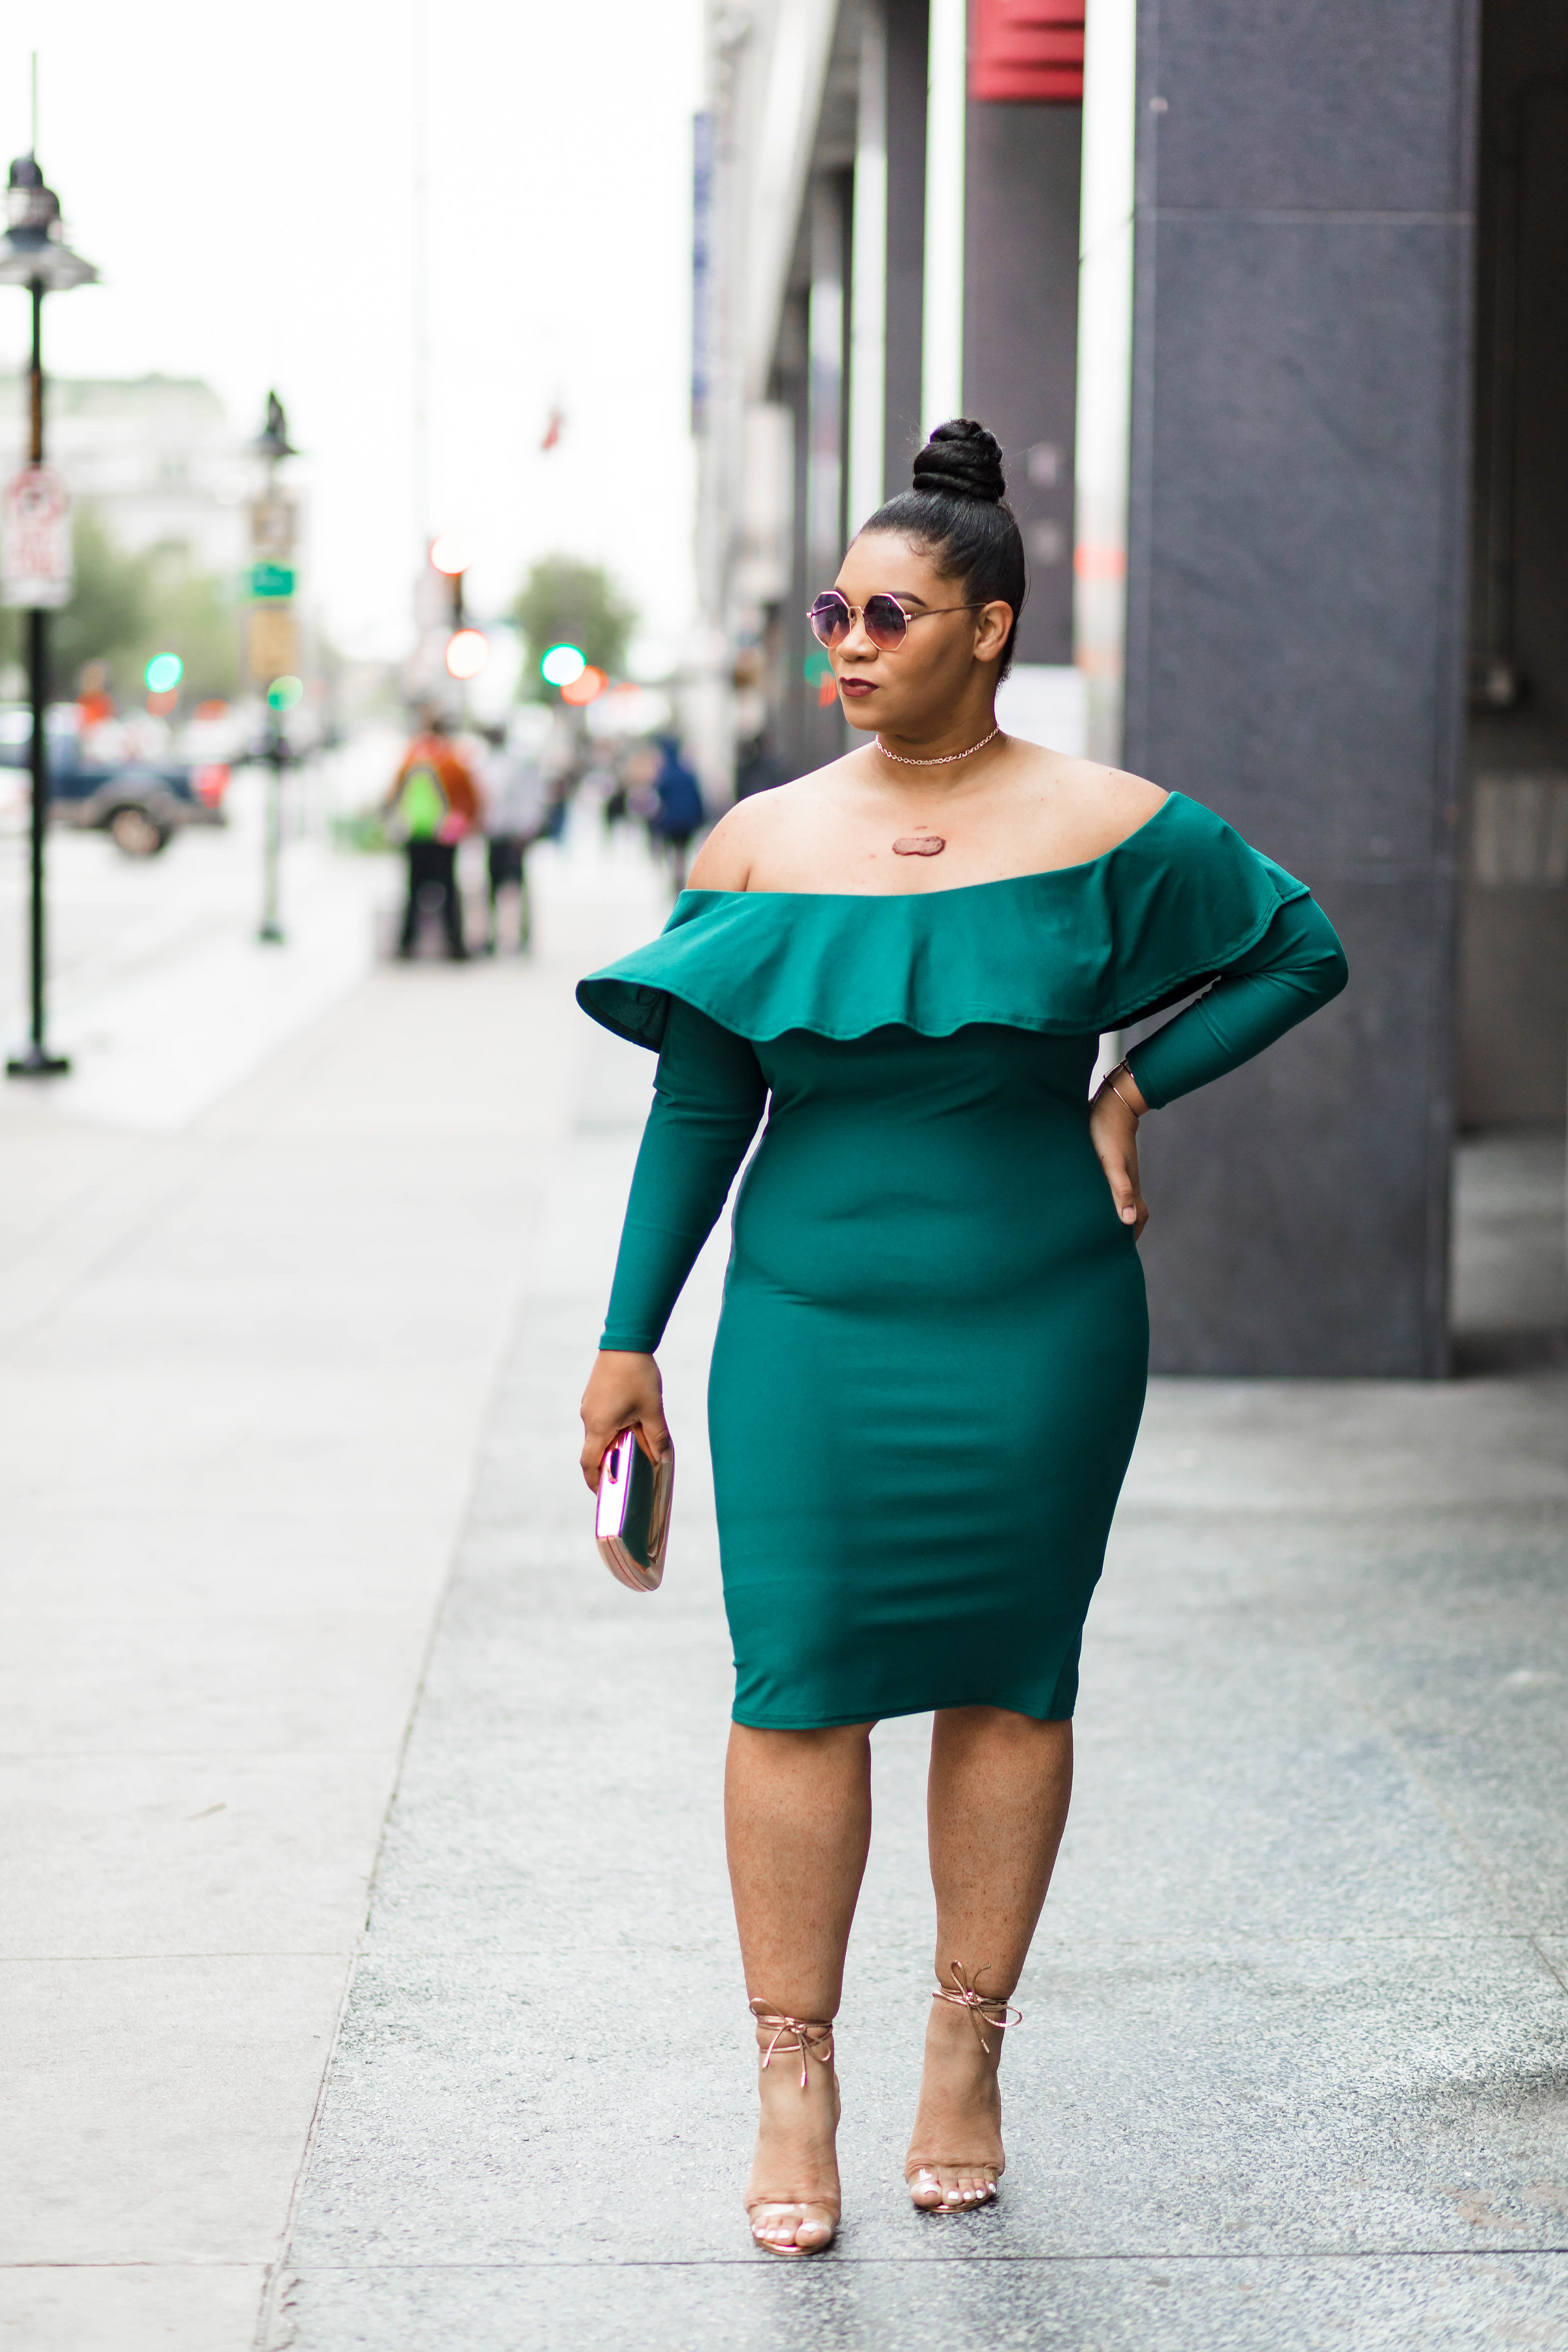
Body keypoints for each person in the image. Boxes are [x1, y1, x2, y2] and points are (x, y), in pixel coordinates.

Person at [575, 419, 1348, 2257]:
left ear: (989, 627)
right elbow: (701, 1112)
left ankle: (966, 2052)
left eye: (888, 614)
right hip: (809, 1327)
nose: (845, 642)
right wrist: (628, 1343)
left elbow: (1299, 949)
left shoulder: (1108, 826)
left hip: (1044, 1319)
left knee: (1015, 1677)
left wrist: (1135, 1089)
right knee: (798, 1680)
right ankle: (792, 2073)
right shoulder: (759, 842)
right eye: (836, 612)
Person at [384, 714, 480, 962]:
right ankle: (446, 946)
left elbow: (393, 795)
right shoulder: (446, 760)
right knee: (438, 892)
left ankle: (417, 946)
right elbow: (471, 798)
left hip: (428, 835)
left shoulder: (419, 759)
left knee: (422, 892)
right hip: (430, 835)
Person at [477, 721, 548, 954]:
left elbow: (530, 797)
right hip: (495, 833)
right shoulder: (487, 762)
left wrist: (527, 829)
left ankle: (522, 936)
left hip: (514, 834)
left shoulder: (518, 763)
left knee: (517, 886)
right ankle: (492, 935)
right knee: (492, 886)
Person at [645, 734, 705, 889]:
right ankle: (680, 873)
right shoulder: (688, 774)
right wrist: (701, 818)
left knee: (672, 850)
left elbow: (657, 801)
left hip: (670, 822)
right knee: (682, 850)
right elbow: (698, 798)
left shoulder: (664, 776)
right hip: (688, 821)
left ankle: (676, 875)